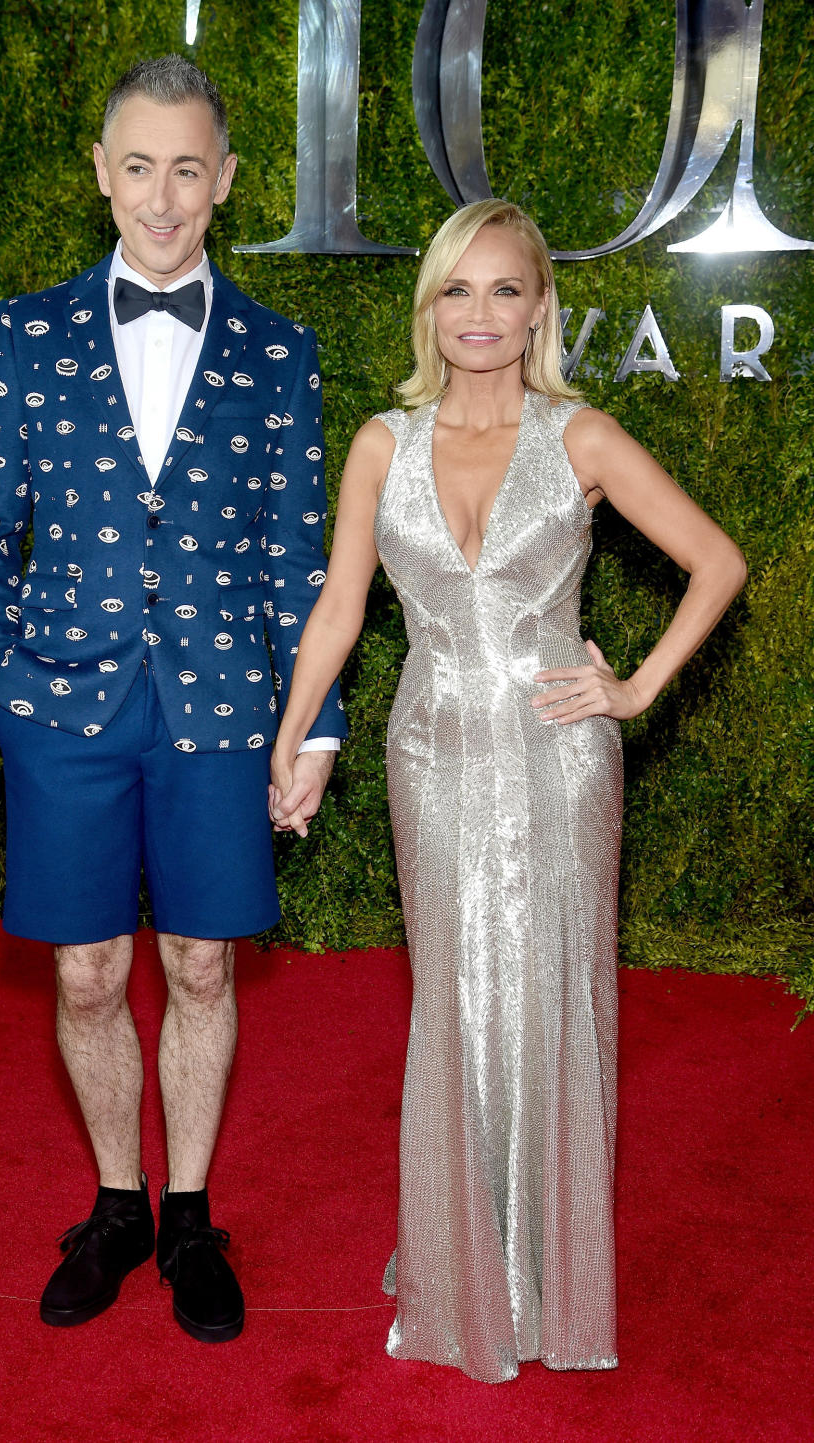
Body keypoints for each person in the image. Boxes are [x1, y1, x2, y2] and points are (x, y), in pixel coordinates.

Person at [269, 199, 746, 1384]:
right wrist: (290, 737)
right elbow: (340, 606)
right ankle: (463, 1260)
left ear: (541, 307)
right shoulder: (383, 441)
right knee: (455, 1000)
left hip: (557, 754)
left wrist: (633, 690)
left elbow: (718, 561)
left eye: (504, 291)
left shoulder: (580, 438)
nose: (479, 316)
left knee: (552, 997)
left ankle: (548, 1274)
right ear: (430, 305)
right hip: (427, 750)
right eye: (456, 291)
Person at [0, 54, 345, 1342]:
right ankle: (115, 1207)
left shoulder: (282, 353)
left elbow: (302, 559)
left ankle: (189, 1216)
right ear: (102, 175)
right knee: (83, 977)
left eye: (189, 168)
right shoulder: (28, 331)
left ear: (226, 181)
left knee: (200, 966)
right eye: (139, 167)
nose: (163, 197)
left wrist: (317, 725)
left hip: (224, 714)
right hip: (60, 711)